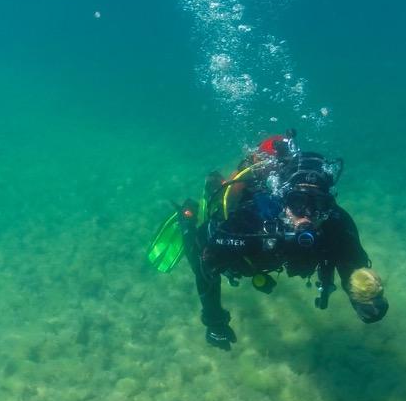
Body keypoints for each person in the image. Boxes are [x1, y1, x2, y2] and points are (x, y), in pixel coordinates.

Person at [147, 131, 388, 350]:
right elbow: (206, 264)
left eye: (318, 205)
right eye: (297, 202)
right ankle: (187, 216)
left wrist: (364, 296)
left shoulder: (335, 223)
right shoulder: (252, 216)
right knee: (208, 235)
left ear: (329, 203)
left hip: (270, 256)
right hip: (246, 251)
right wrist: (214, 321)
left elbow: (351, 265)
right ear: (283, 198)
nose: (307, 214)